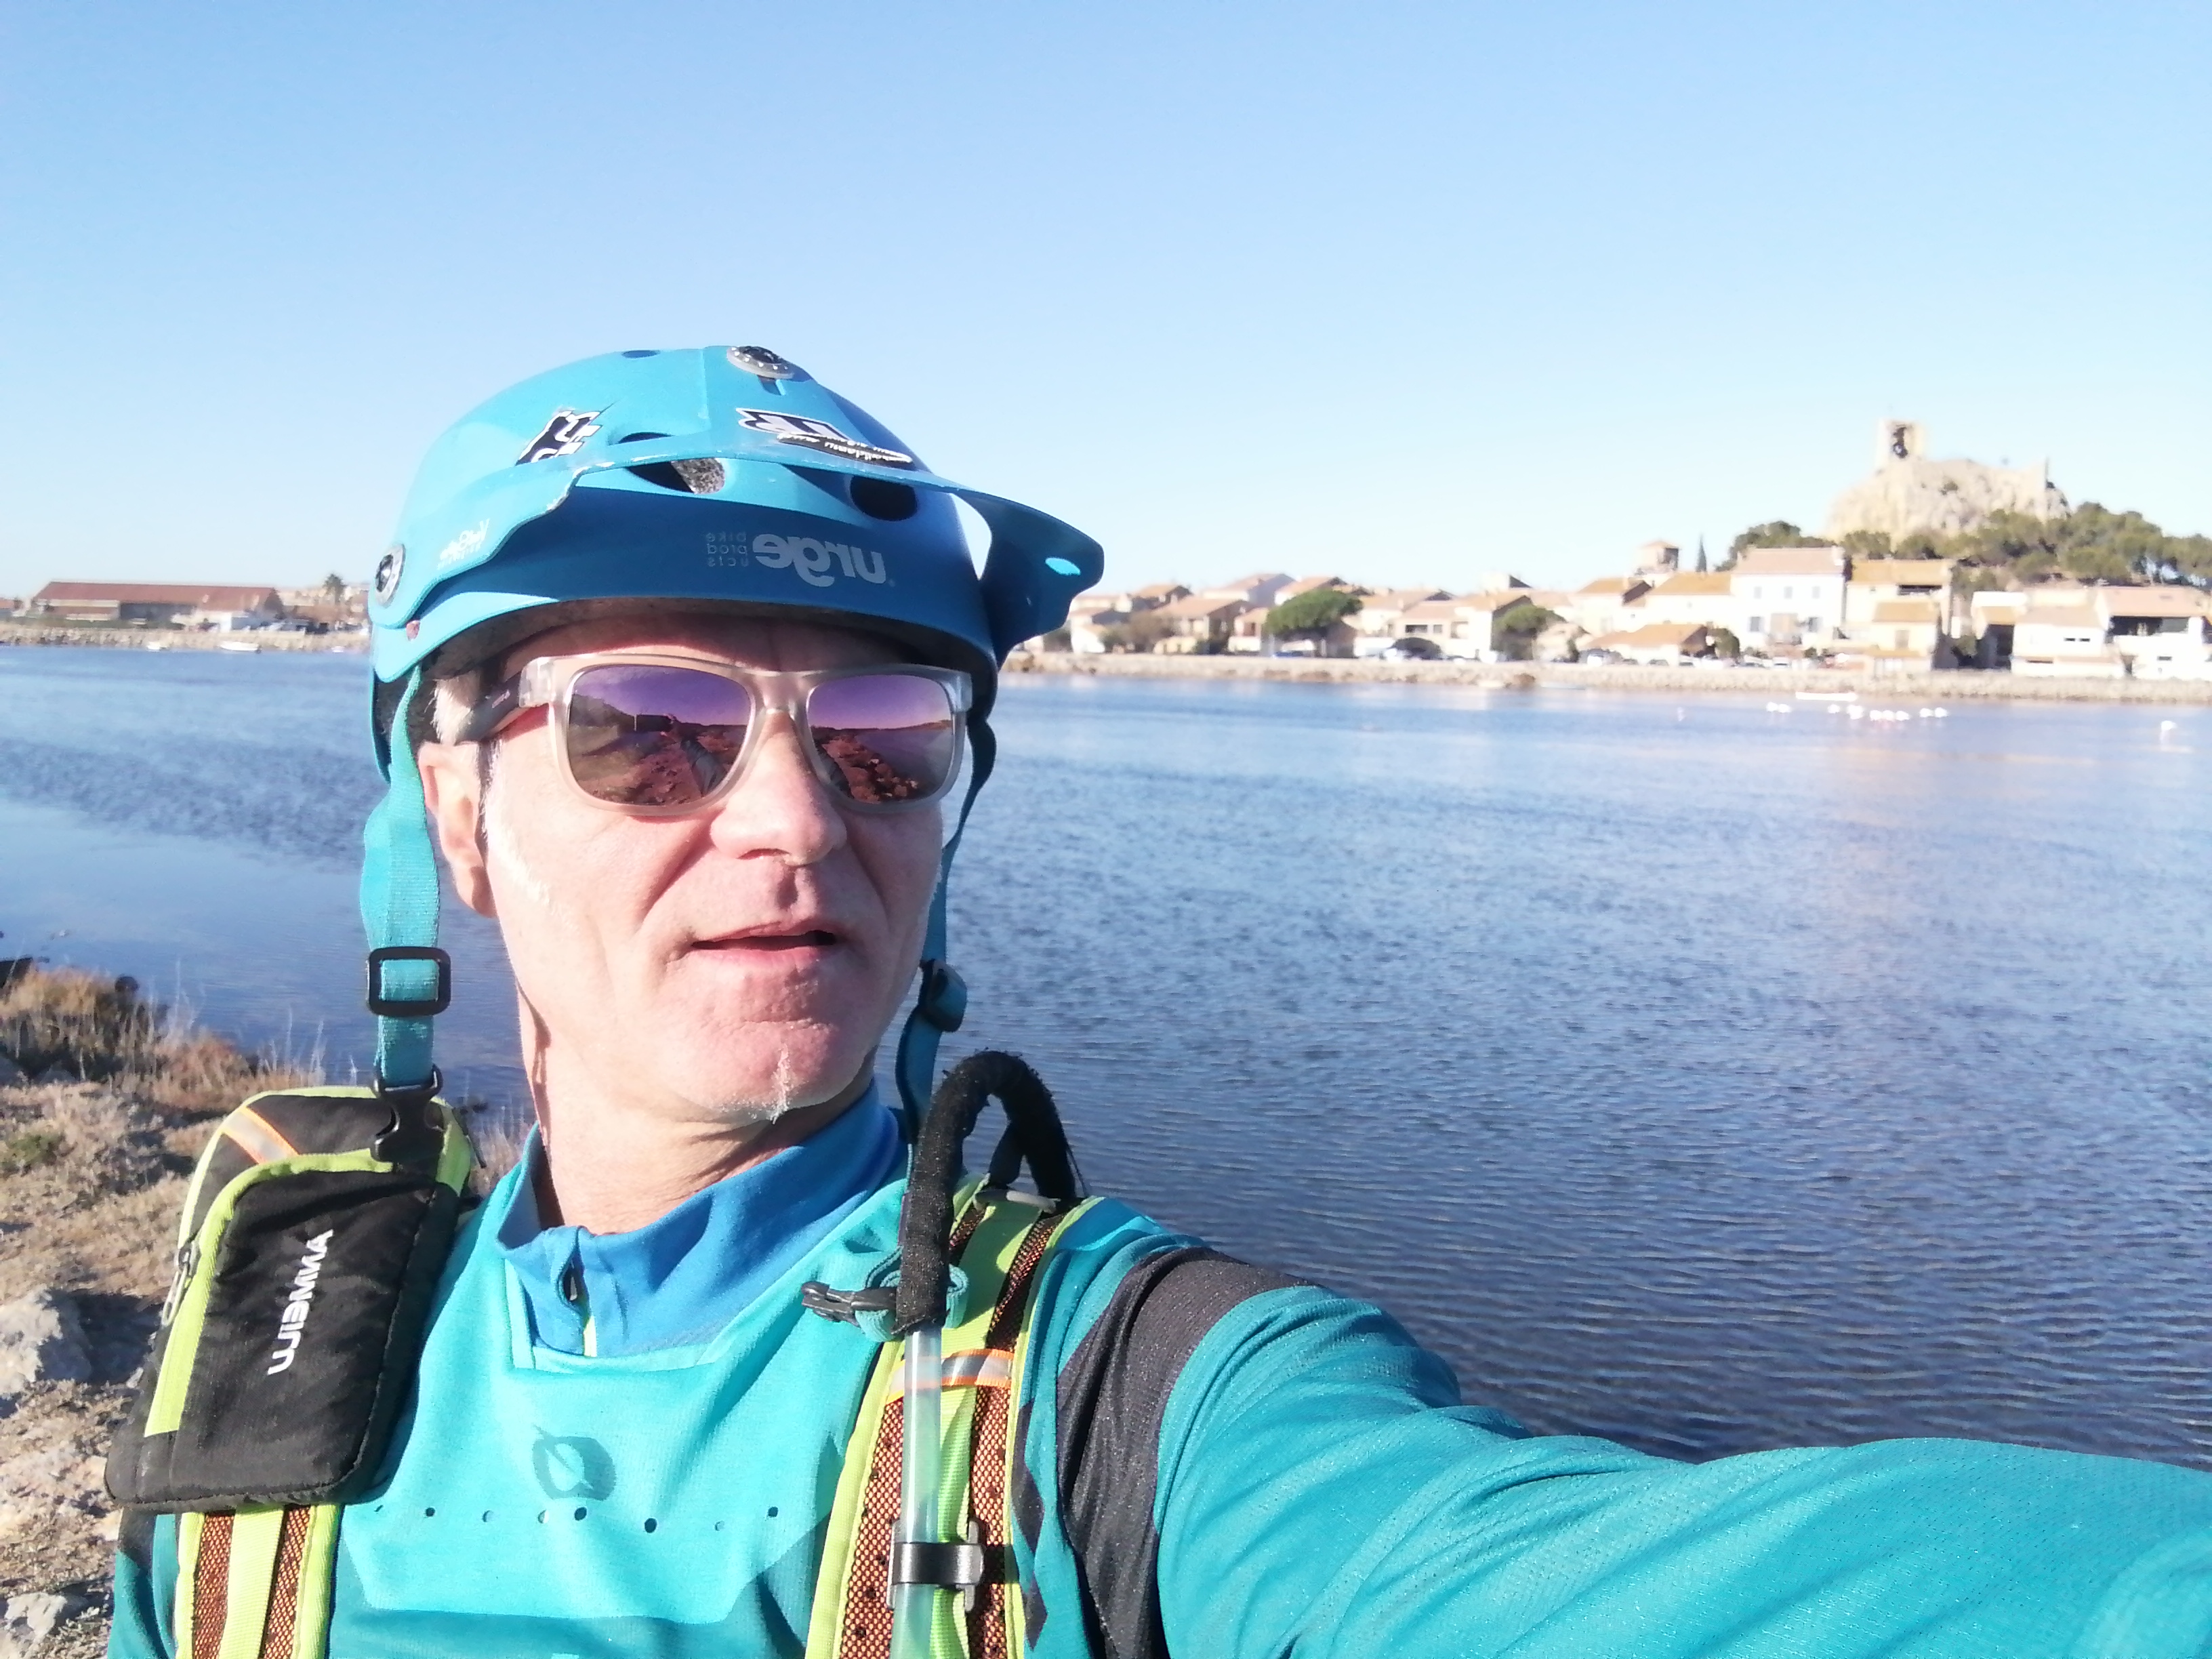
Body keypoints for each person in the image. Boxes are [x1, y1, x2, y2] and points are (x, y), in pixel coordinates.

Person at [109, 346, 2212, 1659]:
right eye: (649, 727)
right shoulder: (283, 1332)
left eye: (885, 742)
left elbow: (1555, 1582)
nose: (794, 826)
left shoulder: (1131, 1400)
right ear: (455, 815)